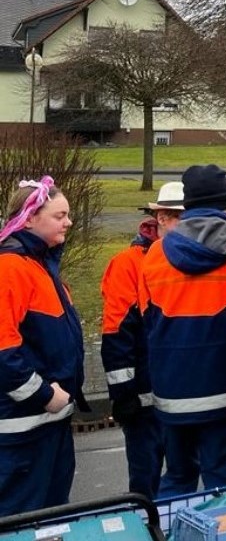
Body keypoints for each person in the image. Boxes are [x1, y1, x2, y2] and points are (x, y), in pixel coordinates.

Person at [139, 165, 226, 497]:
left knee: (178, 476)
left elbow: (148, 316)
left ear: (188, 204)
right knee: (225, 483)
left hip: (172, 390)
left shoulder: (154, 254)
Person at [0, 177, 86, 515]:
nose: (69, 221)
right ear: (30, 217)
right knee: (21, 519)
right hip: (21, 432)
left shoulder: (39, 267)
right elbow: (3, 354)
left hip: (45, 427)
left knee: (50, 519)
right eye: (59, 215)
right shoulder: (11, 269)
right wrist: (45, 396)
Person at [100, 182, 183, 499]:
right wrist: (123, 394)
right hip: (144, 400)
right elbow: (115, 330)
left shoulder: (188, 258)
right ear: (161, 217)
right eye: (179, 217)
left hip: (180, 396)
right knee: (146, 482)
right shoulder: (128, 263)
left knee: (182, 479)